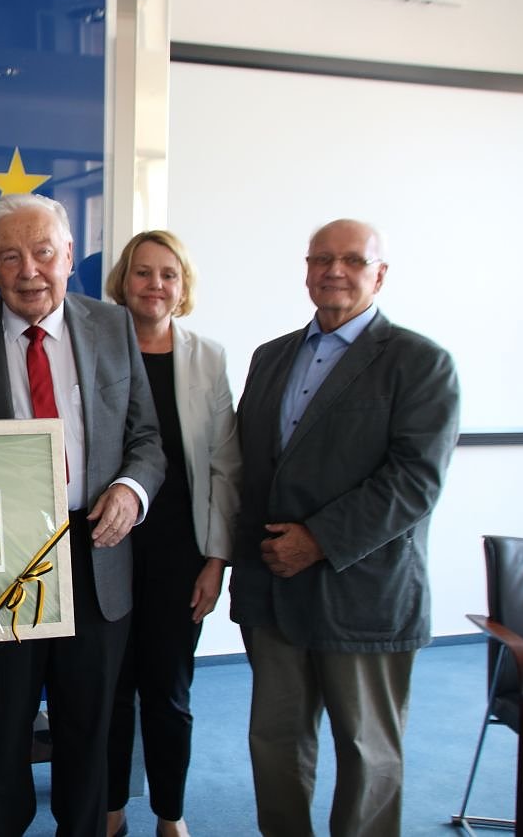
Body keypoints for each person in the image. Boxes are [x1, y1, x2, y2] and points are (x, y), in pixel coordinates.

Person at [0, 193, 165, 836]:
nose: (30, 271)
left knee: (89, 725)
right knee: (4, 725)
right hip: (3, 561)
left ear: (69, 255)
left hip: (96, 549)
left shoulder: (113, 326)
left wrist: (131, 490)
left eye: (43, 252)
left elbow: (147, 439)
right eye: (10, 256)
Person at [231, 219, 460, 837]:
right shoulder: (271, 357)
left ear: (379, 275)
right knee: (275, 743)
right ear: (307, 270)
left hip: (364, 590)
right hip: (273, 587)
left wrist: (318, 541)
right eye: (321, 259)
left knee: (367, 751)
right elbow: (251, 467)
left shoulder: (420, 362)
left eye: (353, 260)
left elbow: (415, 480)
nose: (334, 270)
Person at [103, 231, 241, 837]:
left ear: (182, 286)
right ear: (123, 280)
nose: (154, 285)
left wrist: (216, 560)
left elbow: (226, 465)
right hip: (106, 544)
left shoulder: (207, 357)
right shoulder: (97, 345)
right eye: (143, 272)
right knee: (111, 689)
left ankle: (170, 814)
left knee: (169, 691)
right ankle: (111, 809)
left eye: (168, 274)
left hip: (181, 550)